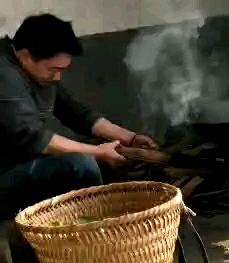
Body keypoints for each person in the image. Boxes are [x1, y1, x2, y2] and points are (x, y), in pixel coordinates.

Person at [0, 13, 156, 220]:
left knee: (112, 157)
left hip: (25, 162)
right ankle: (92, 236)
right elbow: (32, 136)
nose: (57, 77)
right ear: (26, 56)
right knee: (81, 166)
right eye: (53, 70)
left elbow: (76, 113)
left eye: (62, 70)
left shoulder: (37, 73)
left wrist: (129, 138)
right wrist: (97, 152)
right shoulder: (4, 76)